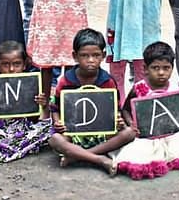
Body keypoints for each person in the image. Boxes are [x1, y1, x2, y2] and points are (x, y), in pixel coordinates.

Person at [115, 42, 179, 179]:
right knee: (140, 155)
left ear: (172, 68)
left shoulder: (174, 88)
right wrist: (131, 123)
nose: (161, 72)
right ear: (145, 69)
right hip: (148, 136)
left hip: (172, 134)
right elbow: (125, 110)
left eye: (166, 68)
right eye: (155, 68)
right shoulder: (139, 88)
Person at [48, 28, 136, 175]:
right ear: (75, 56)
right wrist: (58, 122)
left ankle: (77, 156)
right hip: (73, 133)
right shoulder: (66, 81)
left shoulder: (107, 81)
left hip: (101, 134)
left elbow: (115, 110)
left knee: (130, 133)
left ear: (103, 55)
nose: (90, 60)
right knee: (55, 139)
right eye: (84, 55)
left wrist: (118, 121)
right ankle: (99, 159)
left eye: (95, 55)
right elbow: (55, 108)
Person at [0, 41, 53, 162]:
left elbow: (34, 118)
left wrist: (41, 105)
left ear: (24, 65)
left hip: (22, 130)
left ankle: (5, 149)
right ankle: (18, 149)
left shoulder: (30, 83)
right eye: (5, 64)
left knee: (48, 128)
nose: (11, 69)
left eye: (17, 64)